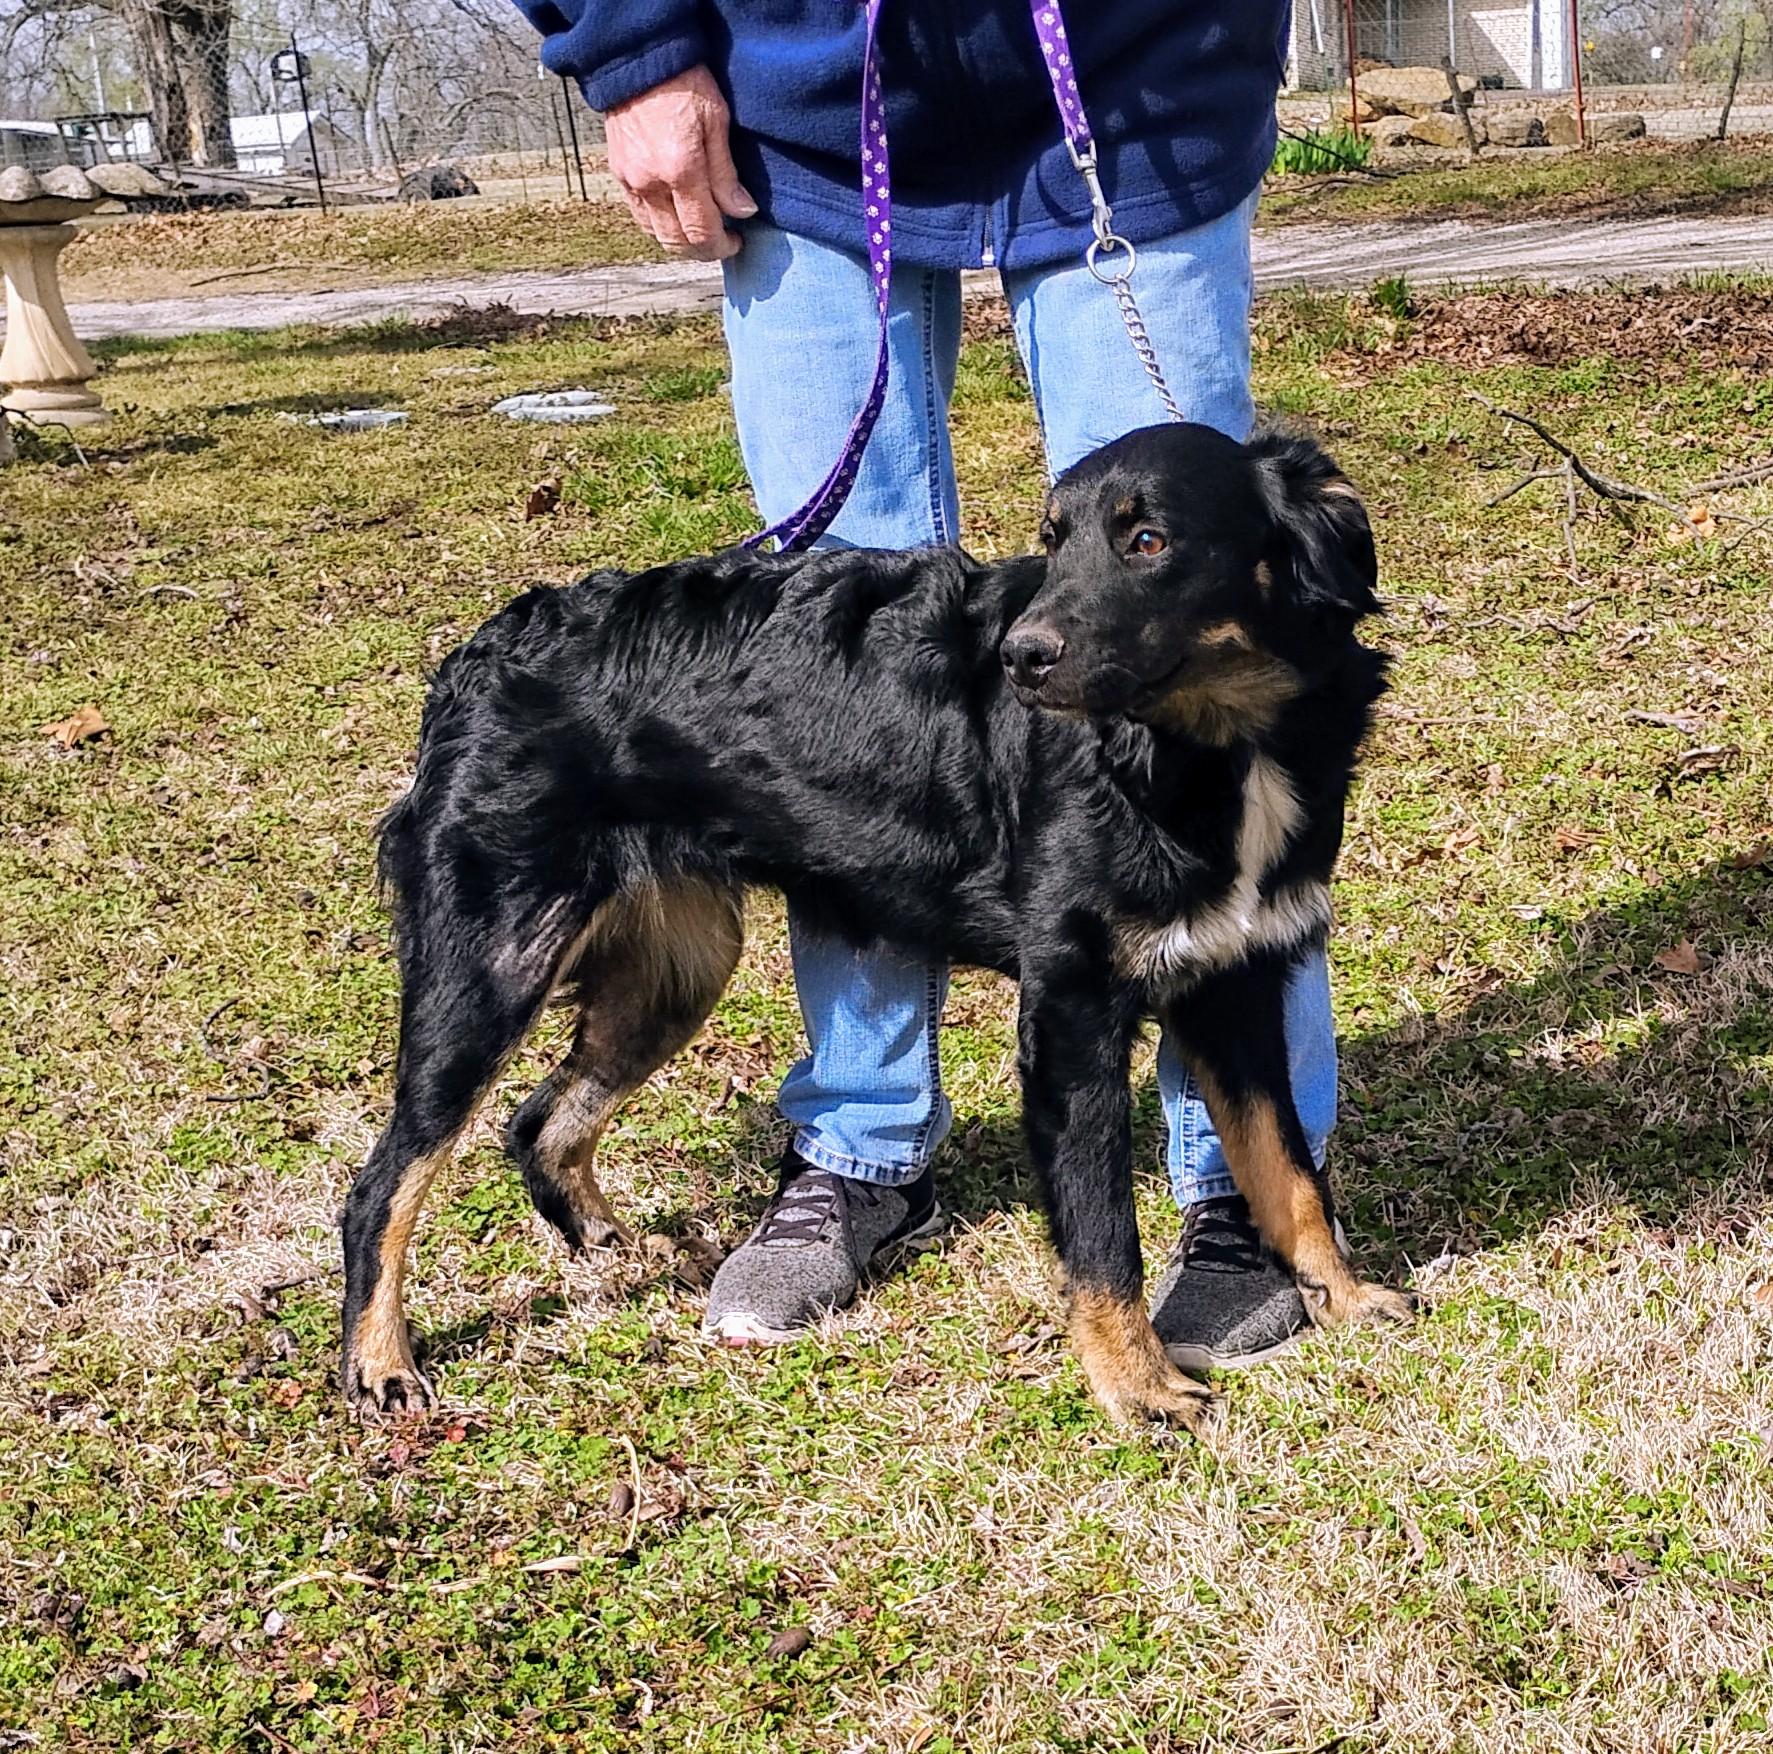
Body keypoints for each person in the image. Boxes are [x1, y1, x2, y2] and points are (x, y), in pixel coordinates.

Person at [509, 0, 1340, 1370]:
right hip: (802, 109)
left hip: (1138, 79)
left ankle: (1241, 1188)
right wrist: (634, 49)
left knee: (1183, 611)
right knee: (843, 702)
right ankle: (862, 1145)